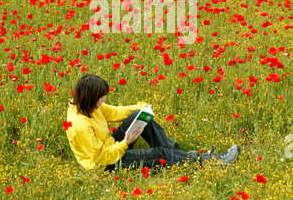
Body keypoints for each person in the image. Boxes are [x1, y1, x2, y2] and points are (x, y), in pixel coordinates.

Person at [66, 74, 240, 173]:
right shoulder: (80, 126)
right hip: (106, 164)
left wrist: (140, 108)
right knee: (159, 153)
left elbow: (112, 112)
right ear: (90, 98)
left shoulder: (88, 105)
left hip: (111, 147)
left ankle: (177, 156)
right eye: (101, 97)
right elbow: (100, 157)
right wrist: (125, 143)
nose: (103, 100)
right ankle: (210, 163)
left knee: (140, 118)